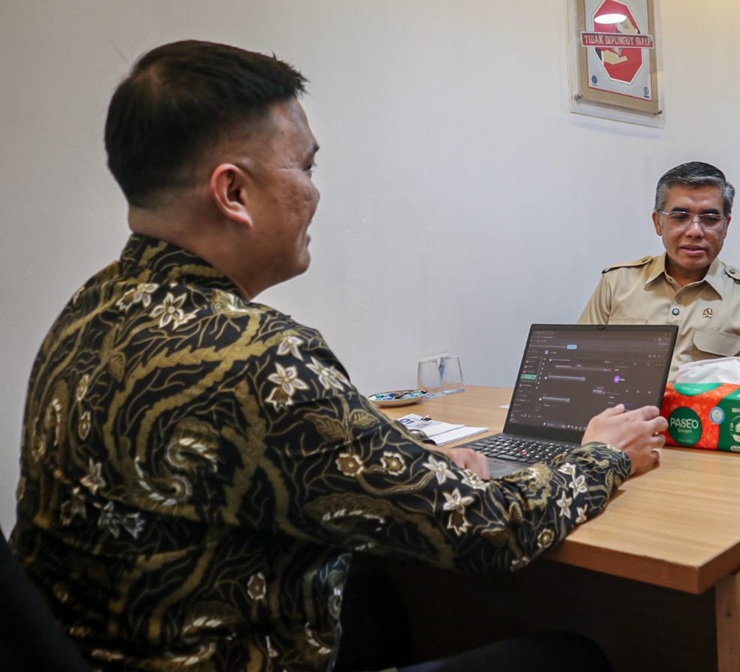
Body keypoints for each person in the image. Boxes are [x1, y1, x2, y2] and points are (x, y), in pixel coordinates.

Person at [8, 40, 668, 672]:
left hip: (124, 642)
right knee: (570, 658)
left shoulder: (91, 308)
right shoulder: (260, 358)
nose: (315, 193)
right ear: (233, 193)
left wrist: (415, 464)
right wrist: (603, 455)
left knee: (377, 595)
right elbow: (489, 531)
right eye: (306, 167)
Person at [578, 162, 740, 379]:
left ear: (725, 226)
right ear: (658, 222)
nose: (695, 231)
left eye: (710, 219)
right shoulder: (616, 283)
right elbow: (581, 369)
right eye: (680, 217)